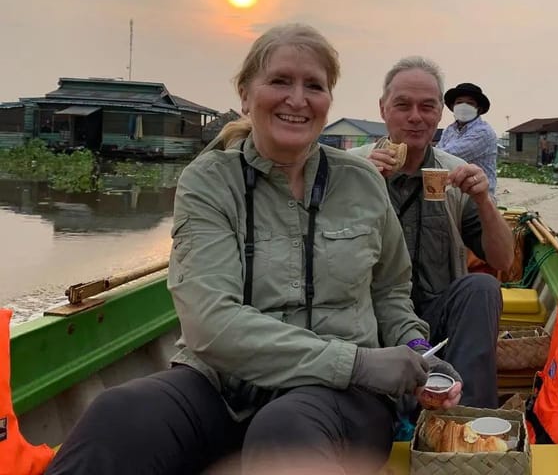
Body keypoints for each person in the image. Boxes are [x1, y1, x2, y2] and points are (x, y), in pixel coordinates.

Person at [45, 25, 462, 475]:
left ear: (327, 103)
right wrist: (358, 363)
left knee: (286, 429)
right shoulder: (208, 183)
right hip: (220, 386)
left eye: (314, 86)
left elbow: (390, 294)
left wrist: (418, 348)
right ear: (246, 95)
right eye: (280, 81)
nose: (297, 99)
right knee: (120, 413)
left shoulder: (361, 183)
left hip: (340, 401)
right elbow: (211, 324)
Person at [349, 56, 515, 409]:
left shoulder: (455, 175)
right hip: (366, 320)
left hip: (436, 318)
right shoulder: (348, 170)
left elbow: (504, 259)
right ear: (383, 109)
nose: (415, 116)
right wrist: (358, 189)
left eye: (427, 107)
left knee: (482, 286)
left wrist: (484, 200)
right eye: (403, 105)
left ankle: (467, 419)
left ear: (440, 113)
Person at [437, 82, 498, 197]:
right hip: (455, 194)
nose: (463, 107)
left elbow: (444, 156)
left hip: (479, 199)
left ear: (478, 109)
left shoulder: (483, 132)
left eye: (470, 103)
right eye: (459, 103)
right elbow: (438, 153)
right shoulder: (449, 129)